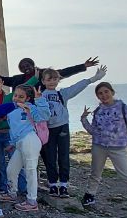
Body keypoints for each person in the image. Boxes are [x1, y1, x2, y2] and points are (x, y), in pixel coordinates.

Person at [80, 82, 127, 218]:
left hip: (117, 149)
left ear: (112, 92)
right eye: (100, 93)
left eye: (106, 92)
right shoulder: (98, 111)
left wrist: (126, 141)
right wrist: (83, 119)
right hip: (99, 146)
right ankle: (90, 195)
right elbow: (93, 131)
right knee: (95, 173)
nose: (104, 95)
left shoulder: (123, 108)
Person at [40, 66, 107, 198]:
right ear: (43, 81)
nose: (52, 82)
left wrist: (94, 78)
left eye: (55, 79)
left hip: (62, 127)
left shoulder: (62, 94)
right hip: (47, 130)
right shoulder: (40, 96)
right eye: (49, 79)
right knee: (50, 158)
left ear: (58, 80)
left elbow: (77, 87)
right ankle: (53, 184)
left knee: (64, 156)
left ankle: (64, 185)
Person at [2, 85, 51, 212]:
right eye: (15, 95)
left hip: (30, 139)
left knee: (30, 170)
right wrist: (11, 143)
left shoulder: (30, 107)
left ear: (28, 98)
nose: (17, 98)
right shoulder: (12, 110)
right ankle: (12, 193)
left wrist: (40, 100)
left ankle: (32, 201)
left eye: (21, 96)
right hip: (19, 143)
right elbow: (13, 129)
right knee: (11, 169)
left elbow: (44, 116)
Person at [0, 56, 100, 89]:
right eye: (22, 66)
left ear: (33, 65)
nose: (26, 67)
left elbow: (64, 72)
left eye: (27, 64)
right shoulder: (17, 79)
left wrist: (83, 66)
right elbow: (1, 79)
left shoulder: (44, 73)